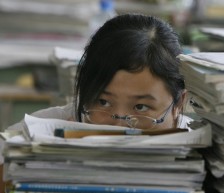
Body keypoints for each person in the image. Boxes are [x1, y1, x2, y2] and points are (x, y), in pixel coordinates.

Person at [7, 13, 192, 132]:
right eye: (103, 102)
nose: (118, 126)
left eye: (140, 107)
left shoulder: (206, 159)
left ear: (178, 104)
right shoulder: (39, 131)